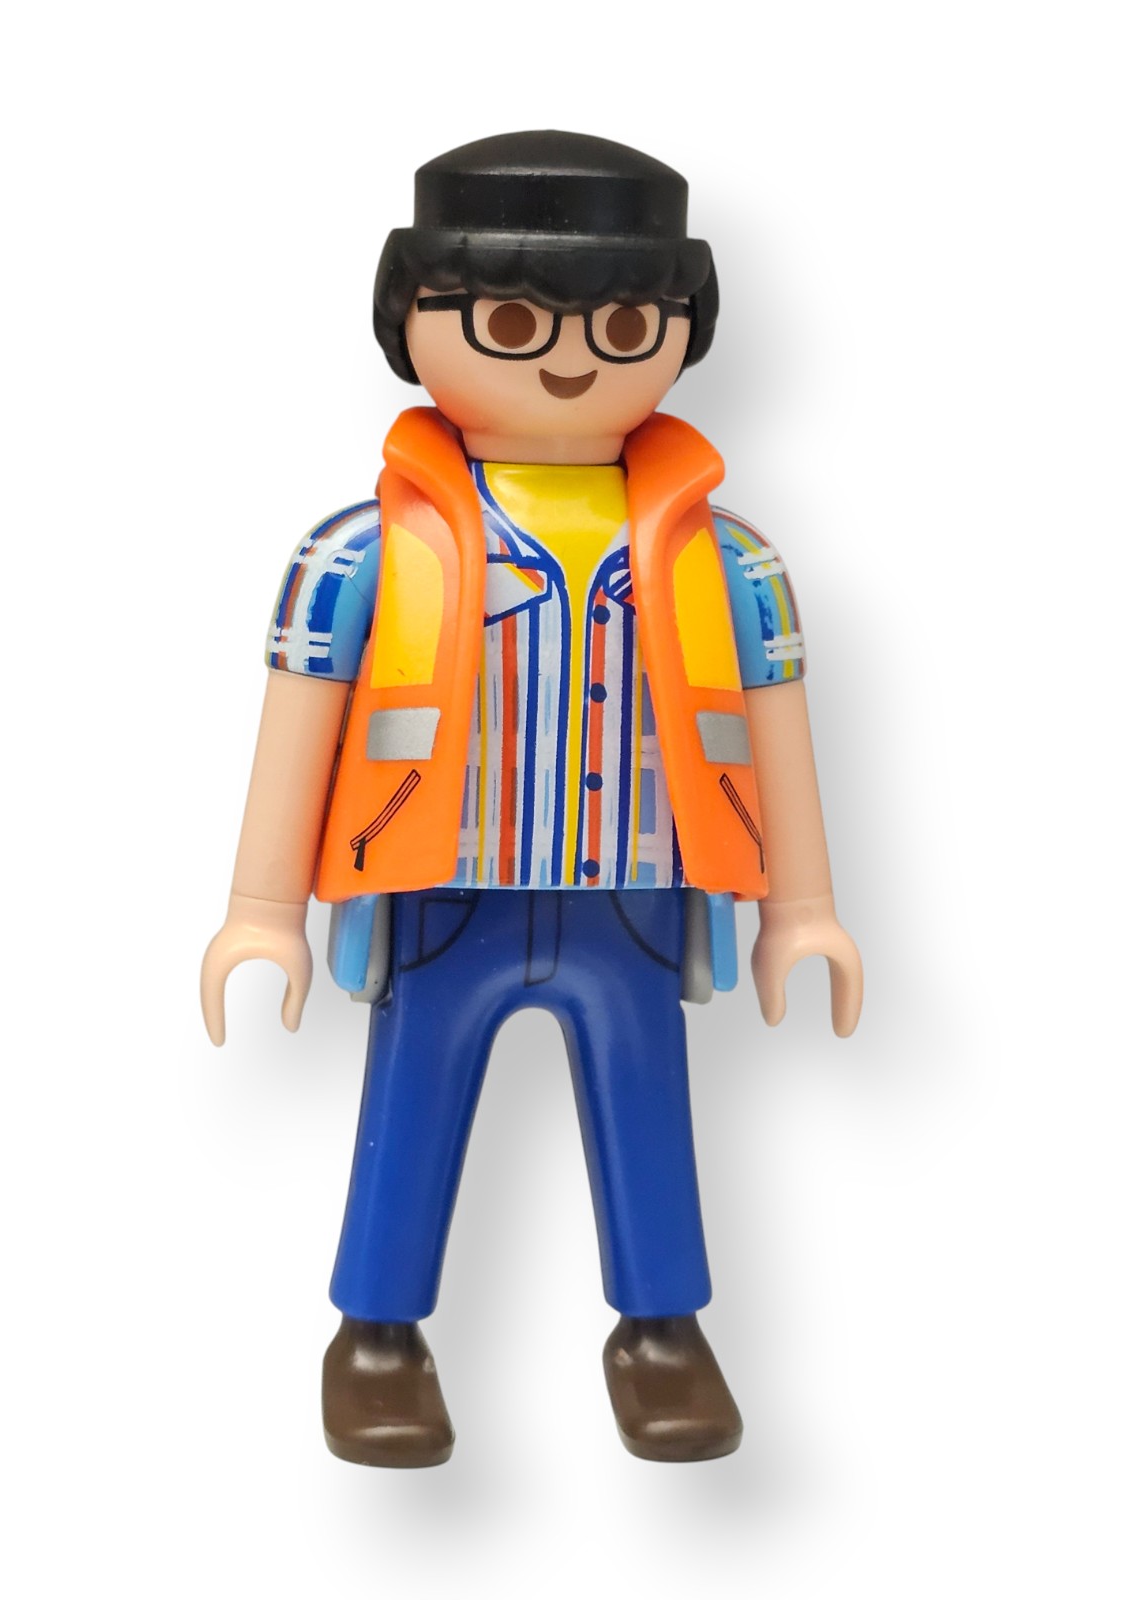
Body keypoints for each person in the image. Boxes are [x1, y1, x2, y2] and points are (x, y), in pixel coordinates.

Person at [200, 130, 863, 1467]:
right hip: (441, 891)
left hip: (635, 894)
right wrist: (260, 911)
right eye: (510, 320)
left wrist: (803, 911)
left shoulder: (730, 561)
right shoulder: (359, 553)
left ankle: (662, 1332)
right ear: (411, 320)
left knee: (648, 1106)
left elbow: (777, 726)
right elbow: (299, 723)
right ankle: (377, 1336)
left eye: (621, 325)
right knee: (412, 1103)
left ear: (681, 330)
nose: (568, 357)